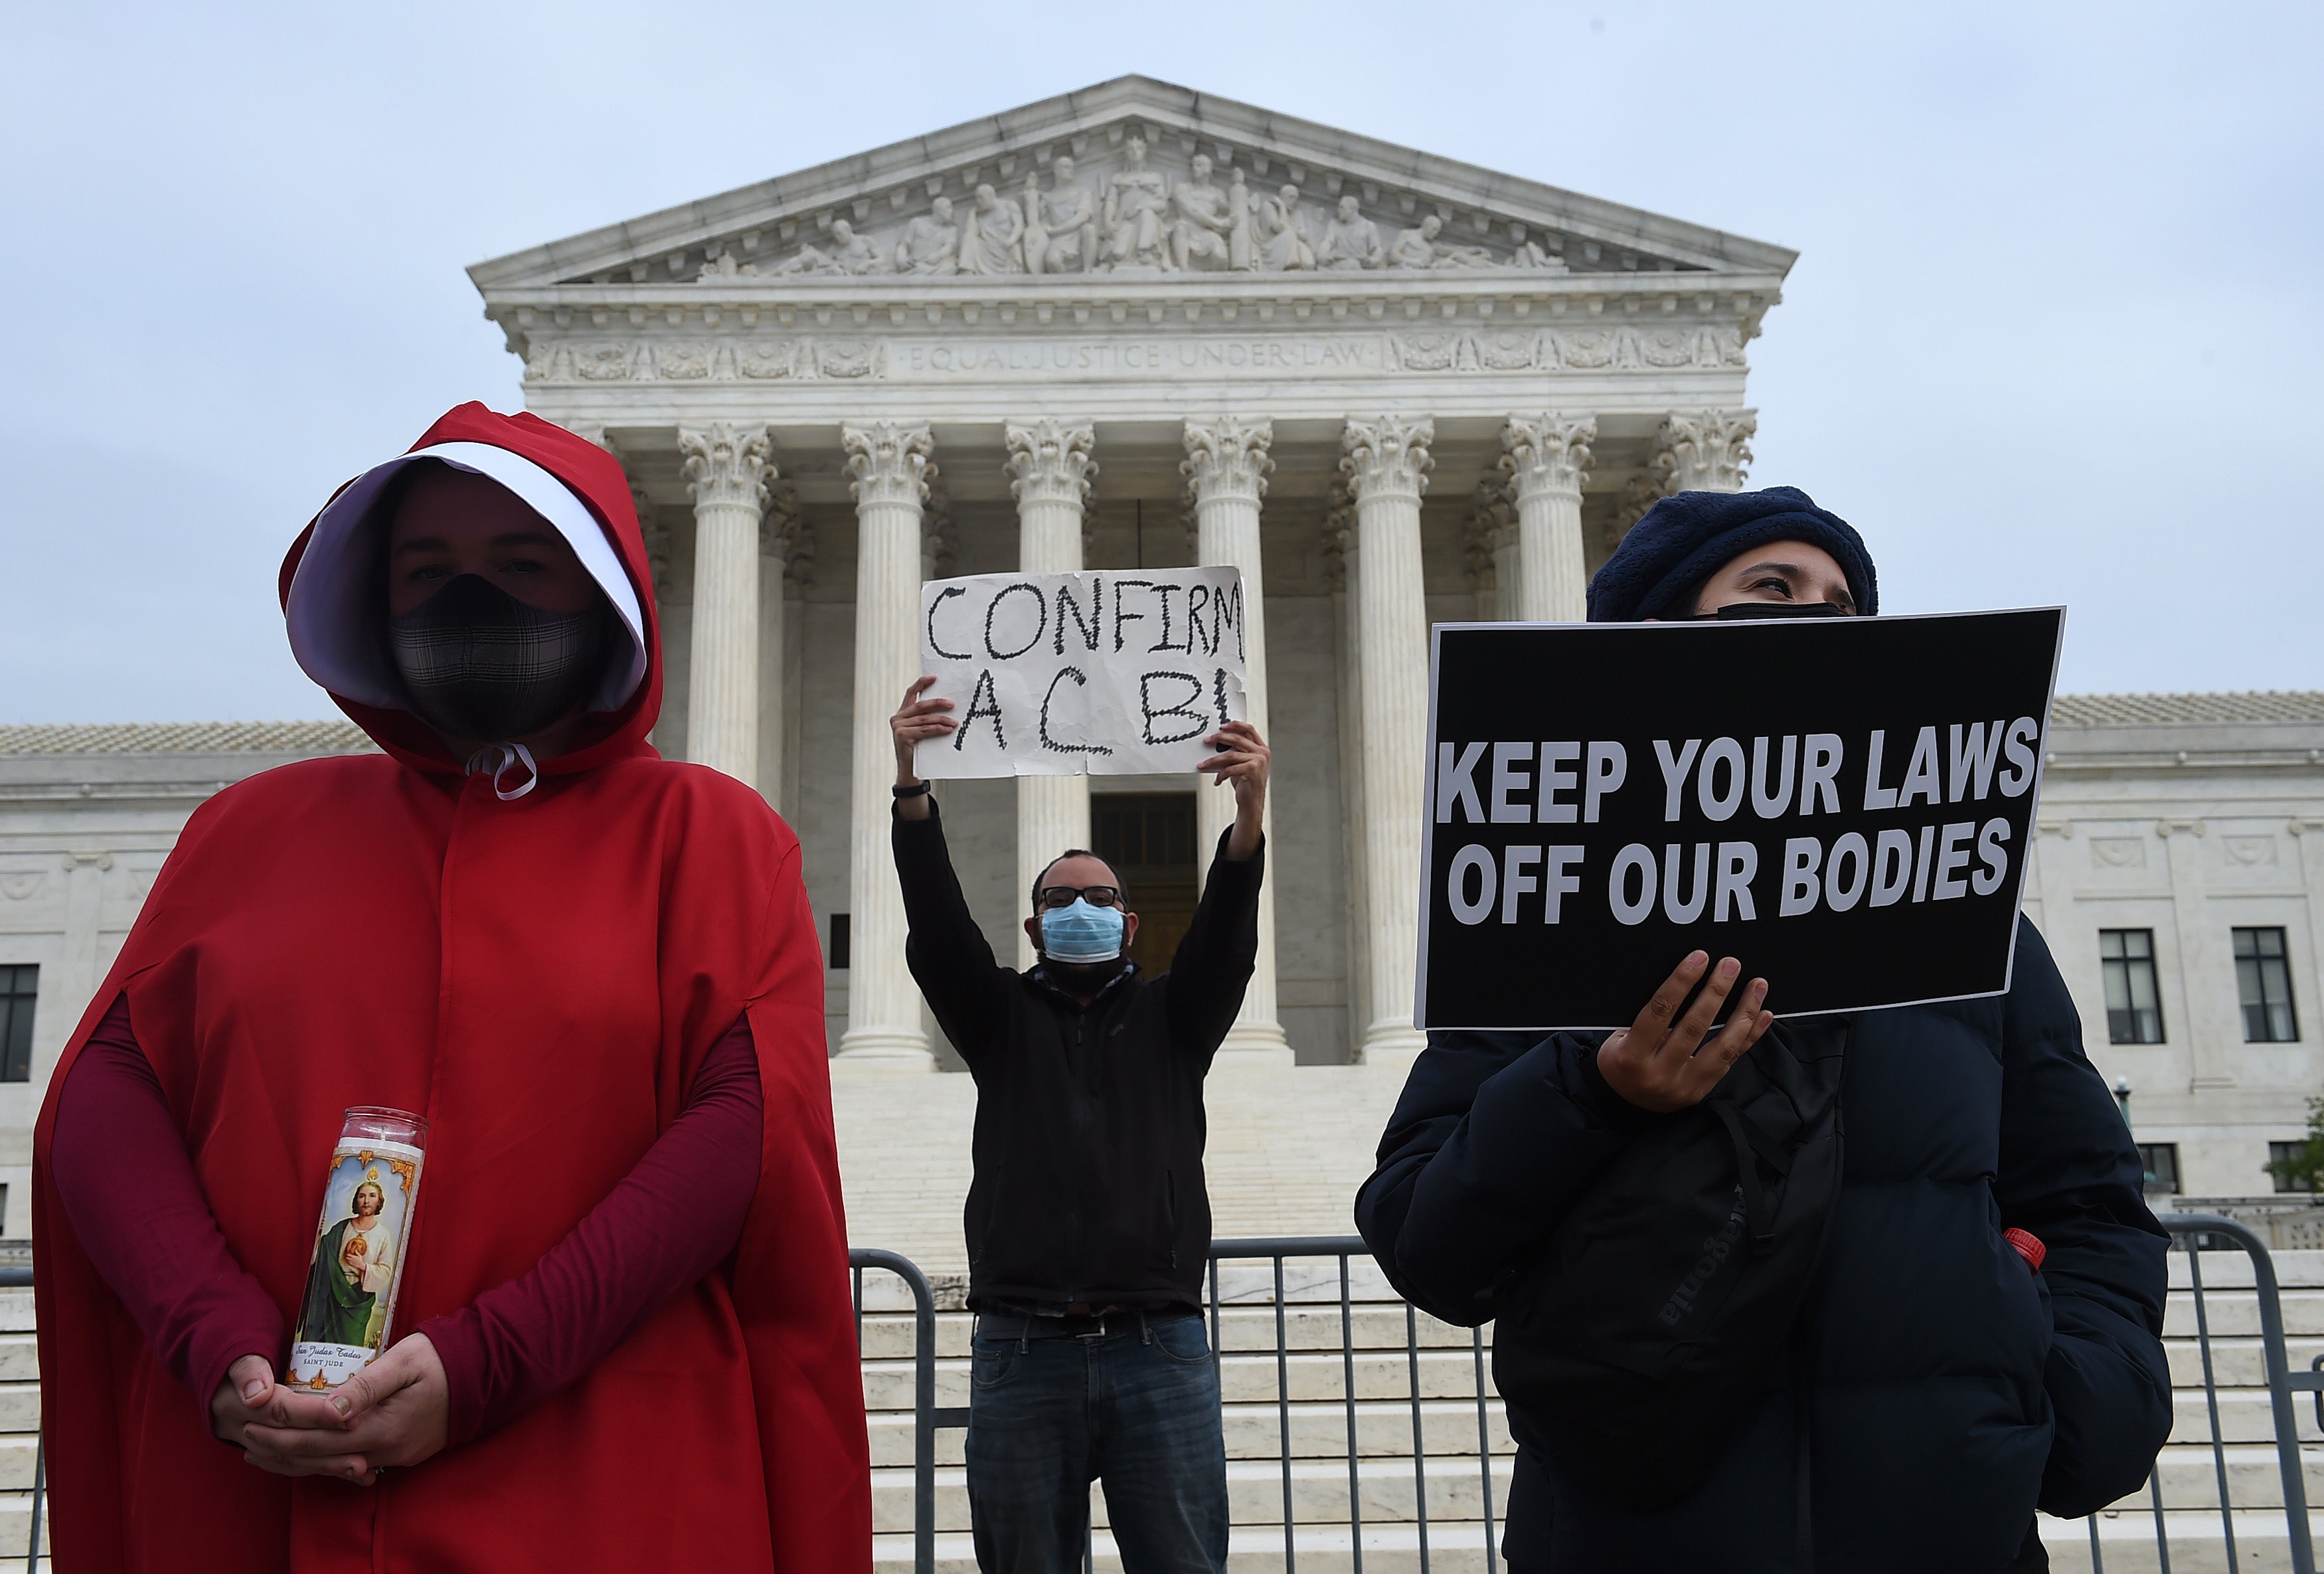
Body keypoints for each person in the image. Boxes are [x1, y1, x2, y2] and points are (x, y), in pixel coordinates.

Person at [33, 404, 869, 1573]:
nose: (470, 599)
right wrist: (218, 1342)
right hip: (262, 1470)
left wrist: (490, 1360)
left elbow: (742, 1136)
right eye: (428, 570)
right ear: (374, 603)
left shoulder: (713, 840)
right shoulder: (250, 830)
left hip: (595, 1480)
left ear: (603, 591)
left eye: (523, 565)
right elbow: (106, 1093)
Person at [1355, 486, 2171, 1574]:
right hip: (1640, 1535)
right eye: (1770, 588)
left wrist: (2067, 1413)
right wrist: (1595, 1092)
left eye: (1841, 605)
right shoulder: (1540, 930)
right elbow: (1427, 1243)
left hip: (1941, 1532)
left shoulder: (1970, 932)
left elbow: (2091, 1204)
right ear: (1654, 642)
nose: (1815, 618)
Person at [886, 676, 1272, 1574]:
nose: (1081, 908)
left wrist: (1249, 814)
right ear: (1032, 924)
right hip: (1023, 1349)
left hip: (1158, 1346)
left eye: (1098, 896)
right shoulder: (998, 1020)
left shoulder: (1178, 1022)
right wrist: (913, 785)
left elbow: (1227, 938)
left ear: (1131, 923)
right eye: (1060, 900)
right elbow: (940, 930)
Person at [297, 1175, 394, 1349]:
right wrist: (319, 1236)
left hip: (358, 1298)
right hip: (332, 1297)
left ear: (379, 1201)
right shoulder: (341, 1228)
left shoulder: (383, 1234)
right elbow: (322, 1257)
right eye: (362, 1196)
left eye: (372, 1196)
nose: (366, 1201)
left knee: (351, 1344)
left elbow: (386, 1270)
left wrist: (362, 1266)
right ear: (356, 1200)